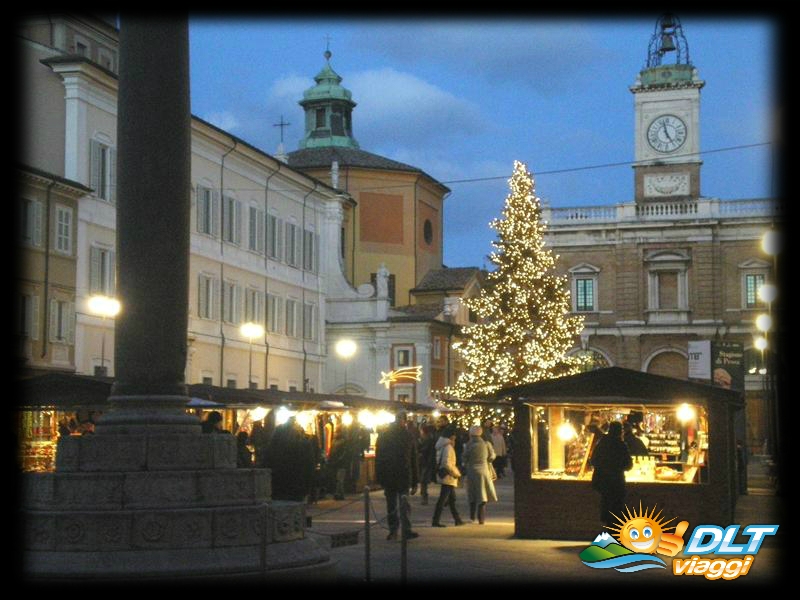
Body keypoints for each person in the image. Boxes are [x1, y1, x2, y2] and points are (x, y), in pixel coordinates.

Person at [375, 411, 420, 540]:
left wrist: (379, 476)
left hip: (389, 474)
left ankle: (393, 530)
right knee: (403, 504)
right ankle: (405, 530)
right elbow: (413, 459)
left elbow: (379, 458)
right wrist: (415, 481)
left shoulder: (384, 435)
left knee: (392, 505)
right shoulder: (408, 436)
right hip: (403, 474)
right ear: (404, 421)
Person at [589, 420, 633, 527]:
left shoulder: (601, 443)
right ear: (619, 431)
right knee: (617, 507)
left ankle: (608, 528)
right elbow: (628, 465)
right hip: (617, 482)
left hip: (603, 481)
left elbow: (593, 460)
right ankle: (614, 530)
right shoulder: (621, 445)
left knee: (606, 504)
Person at [265, 417, 317, 502]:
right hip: (296, 486)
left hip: (278, 486)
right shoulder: (303, 446)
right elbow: (309, 467)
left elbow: (266, 464)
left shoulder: (273, 447)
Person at [431, 424, 465, 528]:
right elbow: (447, 463)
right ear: (451, 436)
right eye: (454, 436)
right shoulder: (448, 447)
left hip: (447, 476)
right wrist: (456, 473)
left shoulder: (443, 445)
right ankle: (436, 521)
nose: (455, 437)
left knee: (451, 499)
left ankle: (457, 519)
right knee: (443, 499)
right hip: (448, 476)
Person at [463, 425, 498, 524]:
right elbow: (492, 457)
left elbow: (464, 458)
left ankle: (472, 516)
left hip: (471, 471)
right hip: (484, 471)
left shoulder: (468, 445)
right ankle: (481, 518)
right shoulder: (486, 444)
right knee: (483, 495)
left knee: (472, 494)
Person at [417, 424, 437, 505]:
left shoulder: (428, 440)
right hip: (424, 462)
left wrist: (420, 452)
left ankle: (424, 496)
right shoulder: (425, 439)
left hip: (426, 462)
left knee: (423, 480)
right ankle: (423, 495)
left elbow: (427, 451)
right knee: (423, 480)